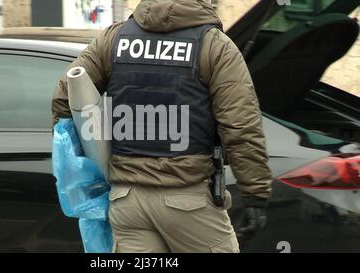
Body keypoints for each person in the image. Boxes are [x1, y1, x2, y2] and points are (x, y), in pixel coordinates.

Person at [52, 0, 273, 253]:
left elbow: (64, 97)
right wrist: (256, 193)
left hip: (127, 202)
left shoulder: (114, 39)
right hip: (189, 203)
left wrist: (86, 167)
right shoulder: (214, 46)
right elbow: (240, 125)